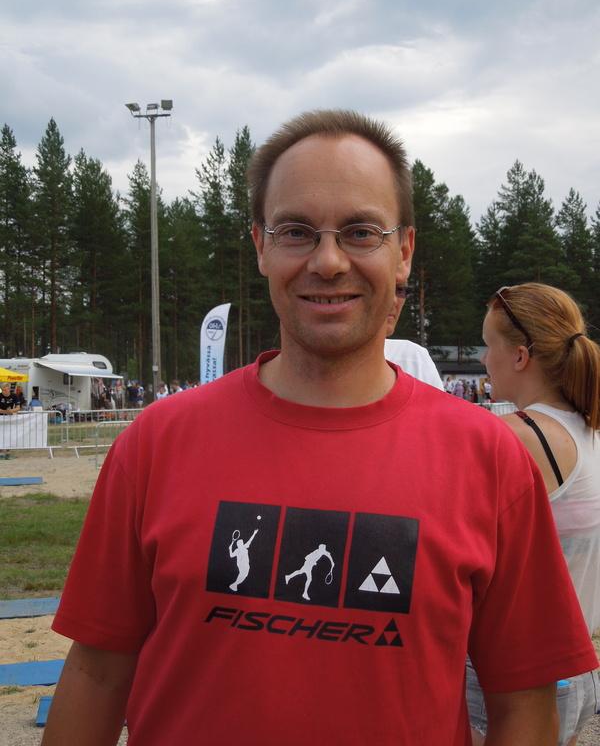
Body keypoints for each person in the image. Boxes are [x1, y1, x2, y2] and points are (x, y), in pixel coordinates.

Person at [44, 111, 597, 746]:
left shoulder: (490, 459)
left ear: (403, 252)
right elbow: (96, 672)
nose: (328, 262)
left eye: (360, 232)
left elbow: (523, 704)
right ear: (261, 245)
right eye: (297, 232)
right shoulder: (155, 444)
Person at [467, 283, 600, 746]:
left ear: (520, 356)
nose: (485, 361)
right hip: (577, 669)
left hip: (513, 679)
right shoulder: (589, 431)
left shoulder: (513, 437)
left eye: (489, 346)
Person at [0, 382, 21, 459]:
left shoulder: (14, 396)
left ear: (9, 389)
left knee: (9, 435)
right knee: (1, 434)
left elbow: (18, 408)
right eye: (3, 390)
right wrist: (6, 411)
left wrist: (11, 411)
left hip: (10, 418)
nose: (5, 391)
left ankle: (8, 453)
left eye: (7, 389)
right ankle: (1, 453)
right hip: (1, 417)